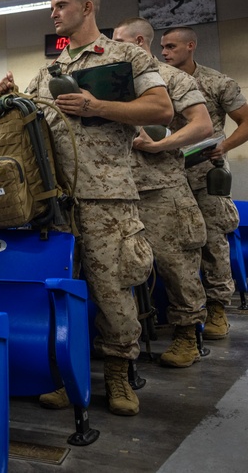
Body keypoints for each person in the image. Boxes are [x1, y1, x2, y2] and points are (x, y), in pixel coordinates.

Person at [0, 0, 172, 416]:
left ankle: (118, 373)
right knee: (62, 294)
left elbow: (161, 110)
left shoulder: (127, 57)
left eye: (61, 5)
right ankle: (68, 373)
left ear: (88, 7)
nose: (53, 13)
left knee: (112, 291)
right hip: (58, 202)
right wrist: (9, 101)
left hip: (107, 197)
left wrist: (98, 106)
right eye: (51, 6)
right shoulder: (50, 69)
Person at [114, 18, 212, 367]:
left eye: (119, 40)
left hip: (162, 187)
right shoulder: (115, 81)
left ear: (139, 41)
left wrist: (161, 145)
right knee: (121, 267)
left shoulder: (171, 78)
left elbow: (203, 124)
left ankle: (189, 334)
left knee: (176, 264)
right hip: (119, 189)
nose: (112, 47)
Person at [161, 25, 248, 339]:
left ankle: (217, 310)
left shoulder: (216, 82)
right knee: (177, 246)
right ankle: (182, 311)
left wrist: (224, 146)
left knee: (213, 242)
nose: (165, 53)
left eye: (171, 47)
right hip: (169, 175)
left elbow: (246, 120)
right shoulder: (159, 83)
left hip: (206, 174)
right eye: (163, 47)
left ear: (190, 47)